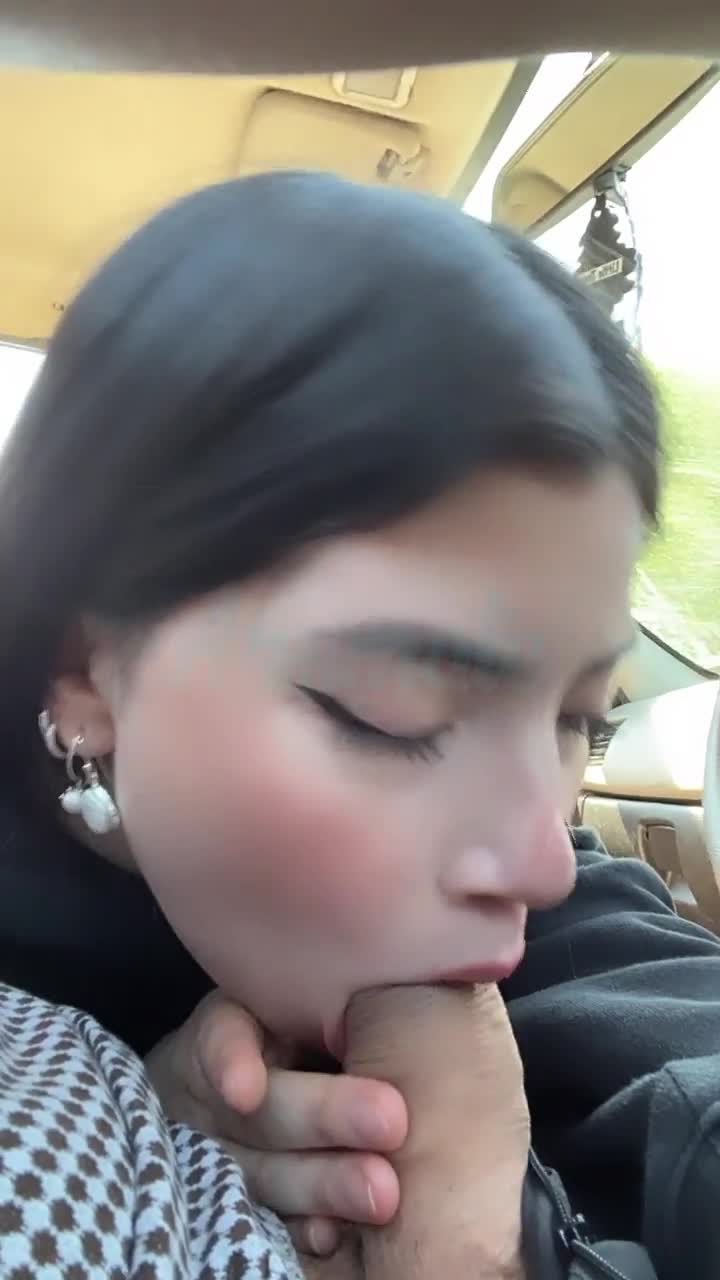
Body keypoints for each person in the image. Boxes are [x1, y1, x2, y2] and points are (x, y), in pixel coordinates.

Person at [0, 171, 715, 1278]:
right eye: (395, 715)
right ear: (83, 668)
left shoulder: (556, 892)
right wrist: (130, 1121)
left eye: (578, 716)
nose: (541, 862)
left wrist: (497, 1233)